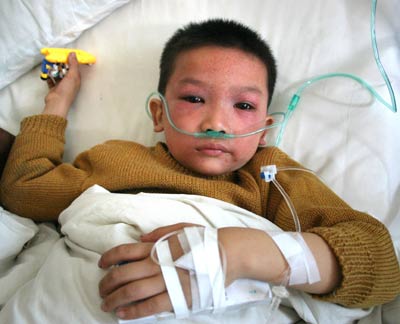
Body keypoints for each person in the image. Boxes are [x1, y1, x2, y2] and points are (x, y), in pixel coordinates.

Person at [0, 19, 399, 321]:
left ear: (265, 130)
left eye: (243, 106)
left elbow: (379, 262)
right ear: (159, 113)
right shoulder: (116, 160)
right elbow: (25, 189)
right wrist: (56, 104)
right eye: (193, 98)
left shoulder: (270, 177)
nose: (217, 123)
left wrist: (237, 252)